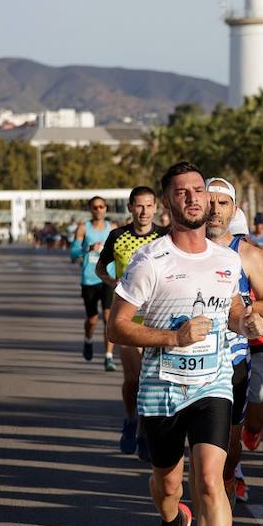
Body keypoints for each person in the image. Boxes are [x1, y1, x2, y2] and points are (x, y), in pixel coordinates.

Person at [107, 161, 263, 526]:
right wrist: (173, 339)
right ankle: (171, 522)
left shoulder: (227, 260)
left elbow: (235, 311)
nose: (194, 199)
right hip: (162, 386)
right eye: (182, 193)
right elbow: (119, 326)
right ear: (167, 203)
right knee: (168, 485)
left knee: (212, 480)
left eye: (199, 191)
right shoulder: (151, 260)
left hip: (213, 383)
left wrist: (247, 322)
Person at [205, 179, 263, 504]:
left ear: (234, 210)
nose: (214, 210)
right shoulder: (175, 249)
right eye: (209, 202)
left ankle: (227, 482)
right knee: (201, 458)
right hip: (187, 365)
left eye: (222, 204)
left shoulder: (250, 255)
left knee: (228, 449)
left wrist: (254, 314)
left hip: (233, 363)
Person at [96, 186, 165, 457]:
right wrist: (113, 283)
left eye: (149, 205)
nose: (144, 211)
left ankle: (146, 433)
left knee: (153, 378)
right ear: (130, 207)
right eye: (139, 205)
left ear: (156, 207)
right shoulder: (117, 236)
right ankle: (130, 418)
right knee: (133, 378)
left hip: (158, 316)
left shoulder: (164, 236)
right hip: (127, 316)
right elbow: (100, 267)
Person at [71, 196, 116, 369]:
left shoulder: (112, 228)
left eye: (101, 206)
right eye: (95, 207)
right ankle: (88, 339)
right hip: (89, 279)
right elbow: (73, 253)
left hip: (108, 278)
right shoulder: (84, 228)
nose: (98, 210)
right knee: (92, 320)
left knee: (107, 317)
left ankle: (109, 356)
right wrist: (88, 249)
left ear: (106, 208)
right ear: (90, 209)